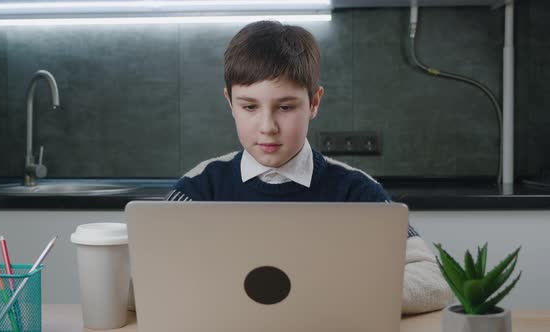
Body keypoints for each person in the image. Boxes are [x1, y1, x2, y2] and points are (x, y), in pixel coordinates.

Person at [166, 20, 454, 314]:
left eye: (286, 107)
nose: (267, 127)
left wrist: (342, 295)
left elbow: (434, 281)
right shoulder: (198, 187)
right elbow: (143, 279)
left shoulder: (357, 192)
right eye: (250, 107)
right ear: (230, 103)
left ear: (314, 103)